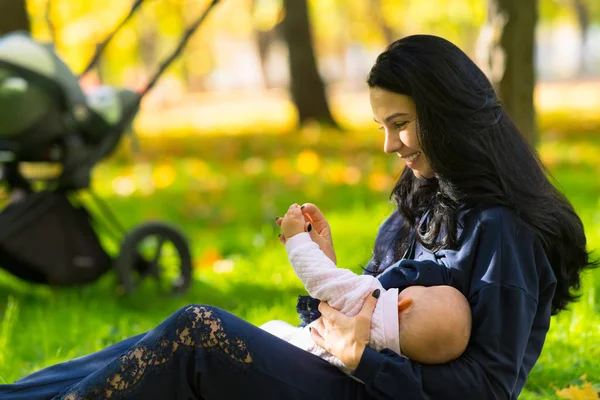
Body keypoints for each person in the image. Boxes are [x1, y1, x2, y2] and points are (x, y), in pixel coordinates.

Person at [0, 34, 596, 400]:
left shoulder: (504, 232)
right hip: (344, 373)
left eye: (401, 125)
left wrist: (363, 360)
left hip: (373, 390)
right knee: (145, 346)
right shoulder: (420, 203)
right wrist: (331, 277)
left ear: (449, 116)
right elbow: (355, 310)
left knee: (196, 333)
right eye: (381, 127)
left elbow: (488, 390)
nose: (391, 146)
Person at [262, 203, 471, 373]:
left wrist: (296, 239)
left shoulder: (369, 298)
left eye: (427, 289)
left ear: (404, 304)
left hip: (292, 349)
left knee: (271, 329)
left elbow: (321, 278)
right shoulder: (393, 359)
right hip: (311, 372)